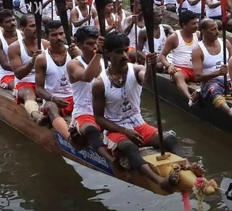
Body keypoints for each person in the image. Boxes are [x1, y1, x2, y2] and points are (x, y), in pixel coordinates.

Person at [92, 31, 203, 192]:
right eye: (119, 52)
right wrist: (124, 131)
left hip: (138, 124)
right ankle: (160, 181)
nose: (124, 55)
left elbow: (147, 81)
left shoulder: (135, 69)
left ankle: (187, 168)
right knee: (130, 149)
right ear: (108, 54)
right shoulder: (99, 83)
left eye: (126, 50)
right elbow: (99, 119)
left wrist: (150, 67)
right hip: (115, 130)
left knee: (170, 139)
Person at [67, 26, 111, 160]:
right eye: (90, 44)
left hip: (104, 113)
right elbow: (87, 77)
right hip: (84, 113)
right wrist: (98, 52)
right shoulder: (73, 64)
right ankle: (111, 161)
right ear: (80, 45)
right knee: (93, 131)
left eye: (96, 43)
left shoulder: (106, 63)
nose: (94, 47)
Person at [35, 20, 79, 138]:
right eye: (54, 35)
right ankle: (69, 137)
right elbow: (39, 88)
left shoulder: (74, 52)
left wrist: (80, 57)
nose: (59, 37)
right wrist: (53, 98)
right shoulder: (42, 59)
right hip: (54, 99)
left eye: (61, 33)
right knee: (50, 106)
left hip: (75, 97)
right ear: (47, 37)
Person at [8, 14, 49, 120]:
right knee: (28, 94)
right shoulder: (14, 48)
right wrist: (32, 61)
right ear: (22, 28)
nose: (36, 29)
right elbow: (18, 74)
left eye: (37, 25)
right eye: (32, 26)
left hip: (44, 82)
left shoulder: (46, 44)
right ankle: (36, 115)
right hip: (25, 83)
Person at [192, 19, 232, 118]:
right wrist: (218, 73)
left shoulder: (226, 43)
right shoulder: (198, 50)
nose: (217, 32)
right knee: (213, 89)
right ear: (203, 31)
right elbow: (197, 77)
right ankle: (230, 112)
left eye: (217, 29)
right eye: (213, 30)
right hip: (211, 82)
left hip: (230, 80)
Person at [159, 10, 200, 105]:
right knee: (177, 76)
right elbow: (162, 56)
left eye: (196, 23)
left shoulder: (198, 35)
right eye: (193, 24)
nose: (196, 26)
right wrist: (169, 66)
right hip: (181, 69)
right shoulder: (174, 37)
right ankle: (190, 97)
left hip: (196, 69)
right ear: (184, 25)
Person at [0, 9, 20, 90]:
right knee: (18, 88)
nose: (12, 23)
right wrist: (25, 69)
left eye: (14, 20)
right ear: (0, 24)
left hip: (25, 72)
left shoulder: (22, 35)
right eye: (8, 22)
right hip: (7, 74)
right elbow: (4, 65)